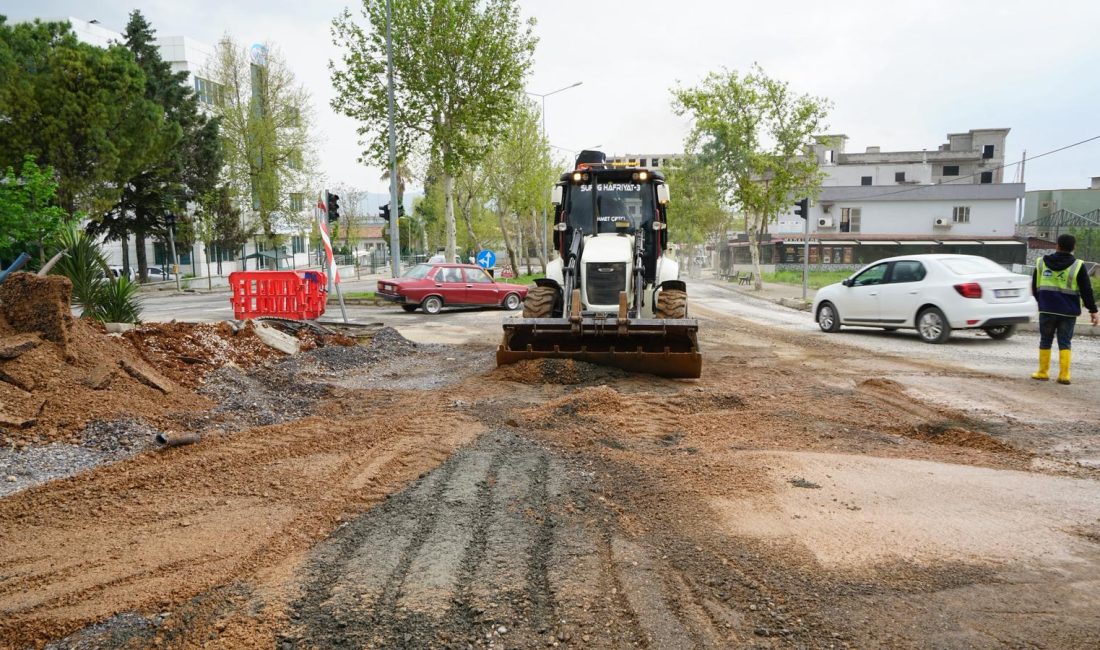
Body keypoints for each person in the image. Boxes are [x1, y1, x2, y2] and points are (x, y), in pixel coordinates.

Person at [1031, 234, 1099, 384]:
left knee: (1045, 340)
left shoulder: (1041, 263)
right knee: (1065, 342)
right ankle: (1064, 375)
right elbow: (1086, 290)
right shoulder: (1078, 265)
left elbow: (1035, 287)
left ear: (1057, 245)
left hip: (1047, 309)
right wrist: (1093, 310)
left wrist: (1042, 301)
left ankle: (1042, 372)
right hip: (1068, 312)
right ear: (1073, 247)